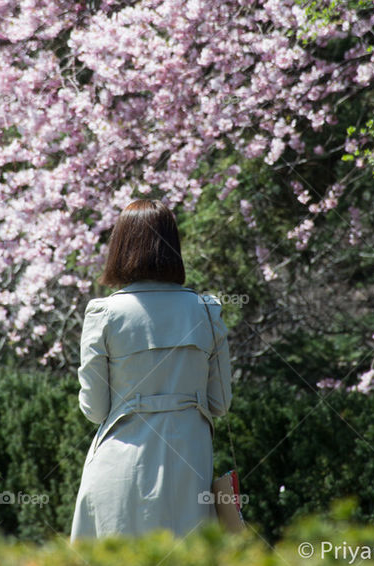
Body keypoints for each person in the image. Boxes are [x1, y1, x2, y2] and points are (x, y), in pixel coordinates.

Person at [69, 198, 233, 542]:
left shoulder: (104, 313)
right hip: (190, 473)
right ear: (173, 246)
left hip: (119, 469)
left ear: (120, 246)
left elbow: (94, 409)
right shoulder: (205, 311)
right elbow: (220, 403)